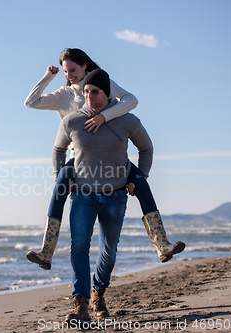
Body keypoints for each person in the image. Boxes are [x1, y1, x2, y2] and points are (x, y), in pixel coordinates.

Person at [24, 48, 184, 270]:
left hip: (112, 156)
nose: (69, 74)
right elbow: (31, 102)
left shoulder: (99, 83)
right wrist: (47, 78)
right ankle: (46, 251)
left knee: (142, 183)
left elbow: (131, 100)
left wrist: (103, 116)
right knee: (60, 183)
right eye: (65, 71)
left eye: (73, 69)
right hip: (78, 158)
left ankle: (162, 245)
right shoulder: (63, 95)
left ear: (84, 66)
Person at [57, 69, 152, 321]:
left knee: (109, 250)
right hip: (83, 194)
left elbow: (146, 148)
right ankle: (81, 304)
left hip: (115, 195)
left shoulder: (127, 120)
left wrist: (139, 179)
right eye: (86, 92)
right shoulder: (72, 121)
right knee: (78, 246)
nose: (89, 96)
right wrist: (62, 177)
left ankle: (98, 291)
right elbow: (58, 149)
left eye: (94, 92)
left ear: (106, 93)